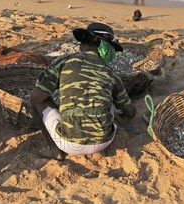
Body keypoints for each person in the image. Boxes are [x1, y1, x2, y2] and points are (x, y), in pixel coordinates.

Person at [30, 22, 136, 161]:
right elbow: (130, 112)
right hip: (104, 141)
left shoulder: (65, 61)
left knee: (35, 99)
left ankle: (55, 151)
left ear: (82, 43)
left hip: (68, 143)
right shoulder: (110, 73)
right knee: (107, 101)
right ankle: (97, 151)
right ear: (106, 49)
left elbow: (38, 96)